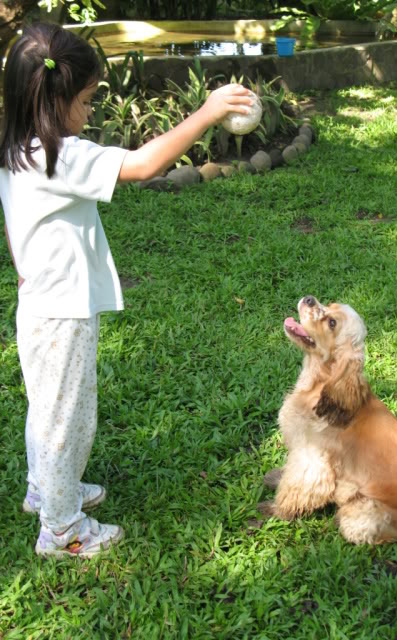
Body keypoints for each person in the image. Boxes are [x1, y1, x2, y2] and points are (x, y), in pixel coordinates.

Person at [0, 22, 252, 558]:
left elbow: (12, 219)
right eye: (87, 102)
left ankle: (45, 488)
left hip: (40, 303)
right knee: (68, 416)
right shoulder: (59, 155)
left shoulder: (17, 147)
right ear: (54, 100)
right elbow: (140, 166)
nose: (90, 113)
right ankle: (61, 529)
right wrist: (206, 112)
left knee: (46, 407)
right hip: (61, 311)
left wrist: (22, 265)